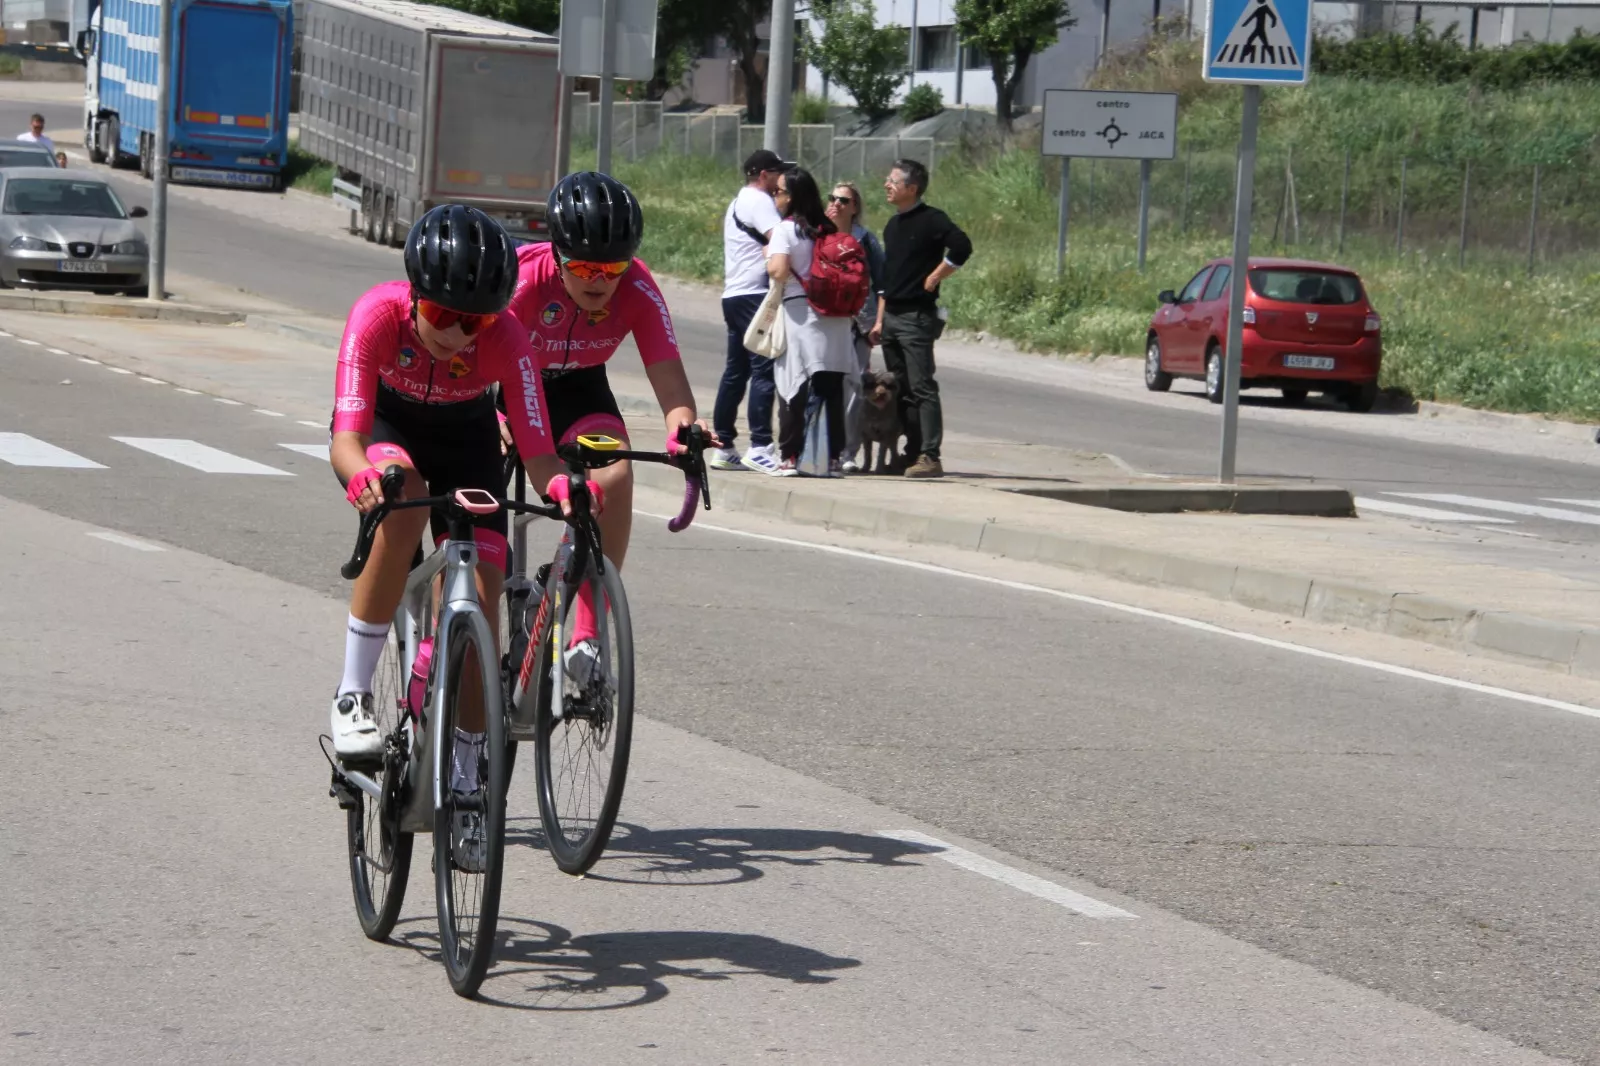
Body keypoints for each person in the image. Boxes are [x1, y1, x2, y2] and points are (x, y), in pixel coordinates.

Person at [327, 204, 586, 867]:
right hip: (393, 432)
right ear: (414, 296)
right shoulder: (376, 316)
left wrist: (564, 488)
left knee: (485, 600)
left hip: (468, 441)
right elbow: (347, 440)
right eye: (442, 316)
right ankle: (353, 695)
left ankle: (469, 779)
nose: (457, 335)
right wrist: (364, 484)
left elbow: (539, 454)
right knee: (406, 500)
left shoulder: (507, 341)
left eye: (474, 322)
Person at [503, 170, 716, 672]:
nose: (599, 281)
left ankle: (587, 634)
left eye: (611, 268)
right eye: (584, 268)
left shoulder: (637, 287)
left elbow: (670, 381)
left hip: (580, 389)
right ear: (557, 255)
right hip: (510, 387)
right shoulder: (524, 278)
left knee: (615, 477)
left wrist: (683, 427)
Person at [870, 159, 972, 479]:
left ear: (911, 188)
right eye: (887, 180)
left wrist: (937, 276)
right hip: (892, 318)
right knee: (901, 388)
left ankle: (930, 455)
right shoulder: (892, 225)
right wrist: (879, 320)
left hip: (917, 317)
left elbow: (962, 246)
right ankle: (911, 452)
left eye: (893, 181)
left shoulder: (932, 220)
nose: (887, 185)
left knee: (923, 386)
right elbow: (887, 279)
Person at [769, 167, 855, 477]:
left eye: (779, 192)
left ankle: (791, 457)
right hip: (835, 317)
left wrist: (769, 257)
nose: (775, 197)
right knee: (830, 388)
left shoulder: (785, 230)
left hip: (800, 314)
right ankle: (830, 459)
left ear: (792, 197)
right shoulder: (829, 228)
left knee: (794, 385)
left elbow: (778, 271)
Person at [711, 149, 790, 474]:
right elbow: (780, 238)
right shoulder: (759, 201)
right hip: (755, 295)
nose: (780, 180)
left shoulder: (739, 201)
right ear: (762, 175)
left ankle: (724, 445)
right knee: (764, 368)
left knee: (736, 371)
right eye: (776, 173)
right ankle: (760, 446)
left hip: (734, 294)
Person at [823, 181, 886, 474]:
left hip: (859, 322)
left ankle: (848, 450)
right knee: (822, 383)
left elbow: (883, 286)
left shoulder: (865, 240)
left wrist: (879, 322)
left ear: (855, 208)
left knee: (855, 385)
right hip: (823, 319)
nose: (836, 203)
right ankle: (820, 446)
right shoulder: (817, 234)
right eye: (832, 198)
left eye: (844, 200)